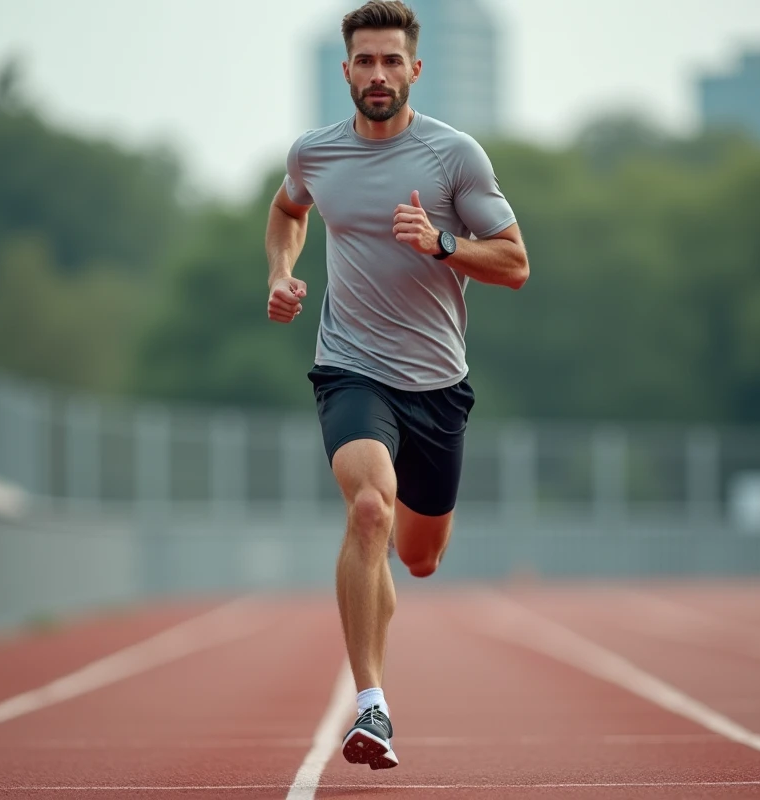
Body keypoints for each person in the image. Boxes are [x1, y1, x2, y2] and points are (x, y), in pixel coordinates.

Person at [264, 0, 528, 772]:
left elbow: (515, 264)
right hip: (350, 368)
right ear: (345, 70)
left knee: (416, 557)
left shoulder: (455, 158)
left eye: (391, 61)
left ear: (414, 69)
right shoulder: (315, 154)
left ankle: (375, 577)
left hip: (439, 385)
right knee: (369, 507)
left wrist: (444, 243)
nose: (377, 75)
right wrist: (281, 273)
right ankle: (372, 707)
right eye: (364, 61)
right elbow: (286, 211)